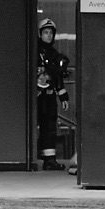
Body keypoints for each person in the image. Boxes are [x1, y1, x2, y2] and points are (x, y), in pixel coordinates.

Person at [34, 18, 70, 170]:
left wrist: (63, 97)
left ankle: (50, 160)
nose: (48, 36)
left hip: (49, 97)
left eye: (51, 33)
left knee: (49, 128)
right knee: (35, 126)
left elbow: (58, 79)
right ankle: (34, 158)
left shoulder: (54, 55)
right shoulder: (34, 52)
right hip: (36, 97)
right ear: (40, 34)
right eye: (45, 32)